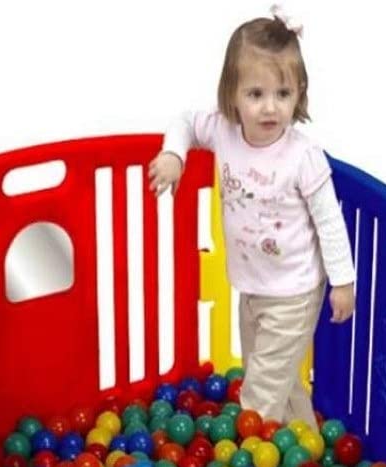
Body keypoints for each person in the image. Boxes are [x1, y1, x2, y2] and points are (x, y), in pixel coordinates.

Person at [148, 5, 355, 431]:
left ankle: (248, 454)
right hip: (251, 287)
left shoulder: (302, 156)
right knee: (278, 378)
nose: (269, 108)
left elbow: (330, 221)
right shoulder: (224, 131)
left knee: (259, 394)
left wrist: (343, 281)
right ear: (232, 94)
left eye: (283, 94)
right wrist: (174, 155)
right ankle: (308, 443)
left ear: (299, 93)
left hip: (294, 293)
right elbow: (185, 122)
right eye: (255, 94)